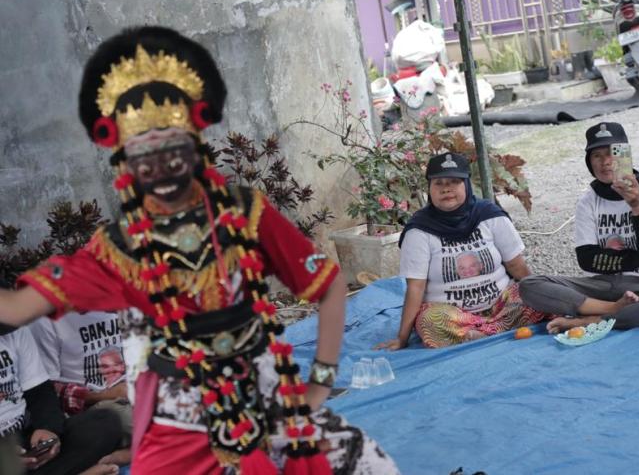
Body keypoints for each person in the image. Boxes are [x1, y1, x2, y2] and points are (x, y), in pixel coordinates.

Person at [0, 27, 397, 474]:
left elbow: (327, 285)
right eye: (144, 155)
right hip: (179, 411)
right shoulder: (118, 247)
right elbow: (18, 307)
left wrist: (321, 381)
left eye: (173, 148)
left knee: (365, 464)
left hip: (262, 384)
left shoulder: (248, 213)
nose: (163, 169)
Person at [519, 122, 639, 333]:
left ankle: (589, 320)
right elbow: (587, 259)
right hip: (604, 285)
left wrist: (638, 207)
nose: (605, 162)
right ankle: (613, 309)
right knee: (529, 285)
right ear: (589, 162)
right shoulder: (589, 199)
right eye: (597, 156)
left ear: (625, 156)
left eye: (612, 153)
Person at [375, 152, 545, 349]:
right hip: (452, 315)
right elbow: (416, 287)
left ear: (467, 185)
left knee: (533, 296)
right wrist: (402, 338)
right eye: (439, 183)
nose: (446, 189)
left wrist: (539, 293)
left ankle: (476, 335)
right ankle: (497, 331)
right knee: (429, 322)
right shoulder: (419, 230)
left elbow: (516, 266)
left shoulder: (490, 216)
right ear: (429, 189)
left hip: (501, 306)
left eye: (454, 181)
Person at [0, 325, 122, 475]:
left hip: (25, 439)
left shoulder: (14, 328)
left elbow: (39, 391)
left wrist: (48, 429)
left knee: (104, 421)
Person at [30, 312, 133, 470]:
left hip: (136, 393)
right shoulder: (46, 321)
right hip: (94, 410)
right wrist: (106, 395)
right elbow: (46, 392)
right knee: (122, 418)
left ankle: (127, 454)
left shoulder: (129, 301)